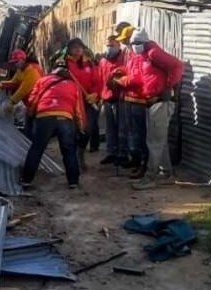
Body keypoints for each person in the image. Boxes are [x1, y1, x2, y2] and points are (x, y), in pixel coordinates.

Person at [108, 28, 185, 189]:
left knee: (153, 141)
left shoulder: (153, 53)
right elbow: (138, 74)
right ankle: (167, 174)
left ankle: (151, 177)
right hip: (151, 101)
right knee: (160, 140)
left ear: (144, 42)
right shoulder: (142, 55)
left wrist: (168, 86)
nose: (134, 46)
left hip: (161, 101)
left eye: (137, 43)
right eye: (133, 43)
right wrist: (121, 72)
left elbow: (177, 65)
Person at [20, 60, 86, 189]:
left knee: (37, 149)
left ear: (53, 69)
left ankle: (26, 180)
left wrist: (31, 115)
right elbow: (78, 109)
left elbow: (32, 100)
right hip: (65, 118)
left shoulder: (43, 80)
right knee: (69, 151)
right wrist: (80, 126)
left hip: (44, 117)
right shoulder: (73, 85)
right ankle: (73, 182)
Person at [64, 38, 101, 163]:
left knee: (87, 129)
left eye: (80, 47)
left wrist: (96, 93)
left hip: (88, 101)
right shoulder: (65, 64)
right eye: (75, 47)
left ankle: (81, 150)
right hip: (71, 102)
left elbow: (97, 81)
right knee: (72, 131)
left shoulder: (89, 64)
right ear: (69, 50)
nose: (78, 49)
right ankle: (72, 158)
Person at [95, 35, 128, 163]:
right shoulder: (103, 61)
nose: (109, 48)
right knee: (109, 128)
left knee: (122, 128)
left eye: (112, 45)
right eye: (108, 46)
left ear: (119, 45)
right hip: (107, 98)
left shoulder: (124, 59)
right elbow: (100, 80)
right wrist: (100, 96)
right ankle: (111, 152)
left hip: (120, 98)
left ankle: (123, 153)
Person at [0, 49, 43, 113]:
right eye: (14, 63)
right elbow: (14, 82)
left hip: (36, 103)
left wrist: (12, 101)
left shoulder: (32, 69)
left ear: (23, 60)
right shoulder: (20, 70)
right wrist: (1, 84)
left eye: (17, 62)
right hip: (28, 103)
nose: (15, 64)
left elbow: (24, 89)